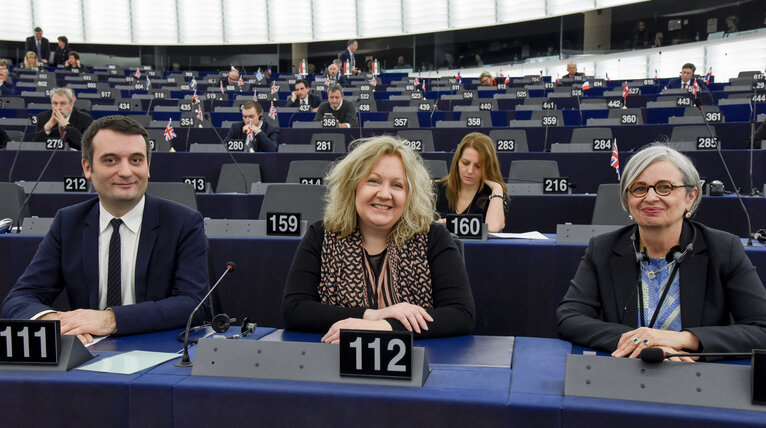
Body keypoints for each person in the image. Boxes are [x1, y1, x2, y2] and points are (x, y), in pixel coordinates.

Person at [1, 115, 209, 343]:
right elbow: (21, 298)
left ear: (148, 167)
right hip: (88, 354)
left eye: (136, 160)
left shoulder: (184, 223)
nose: (126, 171)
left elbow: (194, 305)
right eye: (110, 160)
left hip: (159, 352)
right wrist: (53, 322)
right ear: (87, 167)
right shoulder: (68, 222)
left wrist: (110, 319)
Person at [557, 144, 766, 360]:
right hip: (625, 372)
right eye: (639, 188)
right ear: (627, 199)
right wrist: (640, 341)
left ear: (690, 196)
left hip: (698, 378)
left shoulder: (724, 249)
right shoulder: (602, 248)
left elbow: (761, 329)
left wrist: (685, 339)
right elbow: (569, 318)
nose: (650, 197)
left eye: (664, 187)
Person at [282, 136, 475, 342]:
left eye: (397, 185)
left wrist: (383, 327)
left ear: (409, 195)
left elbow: (461, 315)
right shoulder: (321, 235)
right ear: (353, 186)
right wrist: (371, 314)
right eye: (373, 181)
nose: (384, 194)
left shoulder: (434, 237)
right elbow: (294, 309)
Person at [435, 133, 508, 233]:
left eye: (478, 166)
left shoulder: (494, 194)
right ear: (457, 162)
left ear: (487, 167)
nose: (470, 171)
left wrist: (497, 187)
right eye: (465, 163)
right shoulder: (437, 190)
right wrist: (435, 225)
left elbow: (493, 227)